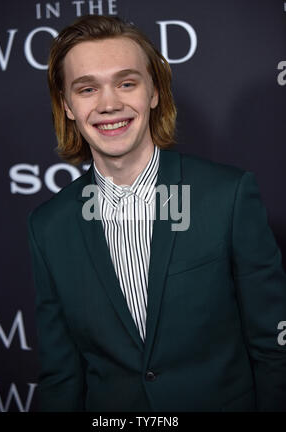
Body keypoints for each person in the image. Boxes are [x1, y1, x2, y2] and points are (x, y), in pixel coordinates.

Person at [27, 14, 286, 412]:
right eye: (87, 88)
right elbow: (61, 376)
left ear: (154, 92)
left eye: (126, 83)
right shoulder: (48, 227)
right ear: (67, 106)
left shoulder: (228, 196)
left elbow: (274, 350)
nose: (109, 103)